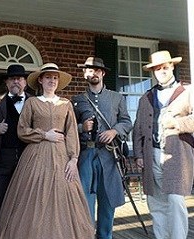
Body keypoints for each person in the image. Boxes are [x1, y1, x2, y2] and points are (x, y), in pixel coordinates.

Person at [0, 63, 94, 238]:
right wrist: (44, 134)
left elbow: (71, 133)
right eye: (48, 77)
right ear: (40, 80)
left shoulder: (66, 104)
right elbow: (22, 129)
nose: (52, 81)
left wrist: (73, 159)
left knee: (65, 197)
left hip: (62, 157)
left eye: (55, 78)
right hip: (35, 156)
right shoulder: (32, 102)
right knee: (33, 200)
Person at [133, 50, 194, 239]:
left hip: (178, 156)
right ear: (153, 72)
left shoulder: (188, 92)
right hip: (152, 156)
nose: (162, 71)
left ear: (172, 67)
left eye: (165, 67)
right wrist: (139, 155)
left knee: (175, 201)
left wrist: (178, 124)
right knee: (156, 204)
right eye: (158, 69)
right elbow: (138, 128)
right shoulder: (146, 97)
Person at [72, 57, 132, 239]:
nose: (93, 73)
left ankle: (105, 236)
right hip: (86, 156)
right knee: (85, 200)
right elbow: (68, 127)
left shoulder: (116, 97)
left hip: (109, 156)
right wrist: (82, 127)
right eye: (89, 70)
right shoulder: (77, 100)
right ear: (84, 74)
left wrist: (114, 131)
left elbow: (127, 122)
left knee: (107, 202)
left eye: (97, 70)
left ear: (103, 73)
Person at [0, 64, 30, 238]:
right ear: (7, 82)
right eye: (12, 79)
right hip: (1, 161)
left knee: (23, 204)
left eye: (19, 78)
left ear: (25, 82)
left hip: (27, 161)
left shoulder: (34, 103)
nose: (15, 81)